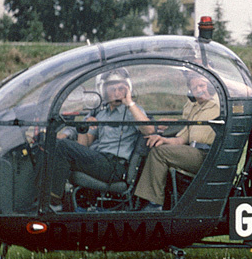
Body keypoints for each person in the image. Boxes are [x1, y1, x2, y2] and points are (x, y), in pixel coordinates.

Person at [45, 71, 155, 209]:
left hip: (116, 166)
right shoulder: (100, 113)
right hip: (100, 161)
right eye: (112, 89)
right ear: (104, 91)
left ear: (128, 90)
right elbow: (84, 145)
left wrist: (129, 102)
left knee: (62, 147)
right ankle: (52, 199)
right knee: (53, 147)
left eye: (121, 89)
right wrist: (83, 128)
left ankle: (53, 202)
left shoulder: (134, 111)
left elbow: (149, 130)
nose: (117, 93)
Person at [134, 71, 221, 209]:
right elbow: (181, 139)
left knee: (160, 153)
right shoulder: (195, 109)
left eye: (202, 85)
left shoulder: (218, 105)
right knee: (157, 147)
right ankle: (145, 201)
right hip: (193, 151)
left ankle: (154, 204)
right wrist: (162, 139)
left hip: (207, 155)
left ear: (209, 86)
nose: (199, 90)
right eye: (194, 88)